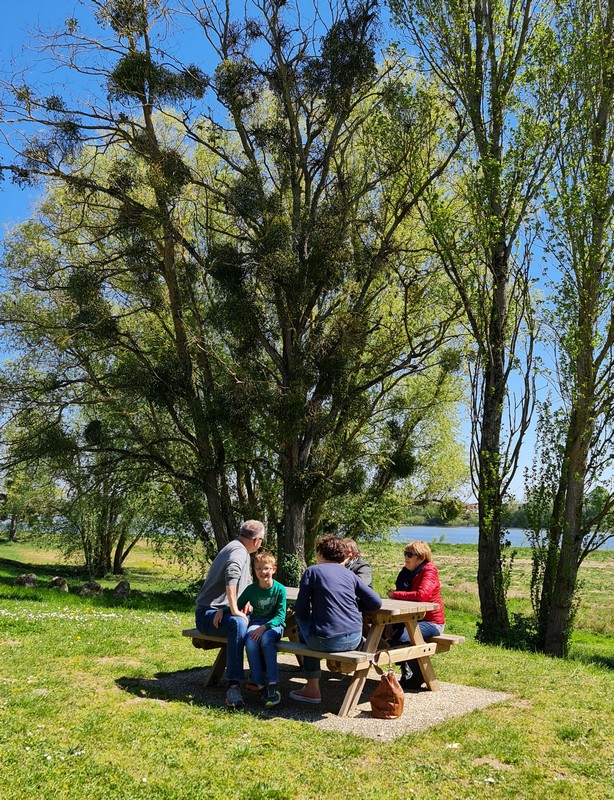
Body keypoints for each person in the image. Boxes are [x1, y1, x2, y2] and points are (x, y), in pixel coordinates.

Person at [289, 534, 382, 704]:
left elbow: (301, 611)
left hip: (326, 641)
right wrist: (352, 606)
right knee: (311, 625)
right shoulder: (349, 575)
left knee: (304, 620)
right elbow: (376, 602)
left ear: (320, 553)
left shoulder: (312, 572)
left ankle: (312, 688)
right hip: (354, 638)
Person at [194, 519, 265, 709]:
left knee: (263, 625)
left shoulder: (238, 548)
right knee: (238, 624)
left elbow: (242, 585)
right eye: (262, 541)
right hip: (207, 615)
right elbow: (232, 573)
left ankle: (261, 679)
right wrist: (233, 609)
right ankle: (233, 687)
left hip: (220, 612)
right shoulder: (238, 551)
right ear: (257, 540)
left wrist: (236, 605)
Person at [386, 540, 445, 691]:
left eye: (409, 554)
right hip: (410, 618)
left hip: (431, 622)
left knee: (403, 638)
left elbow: (422, 596)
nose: (406, 557)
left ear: (420, 557)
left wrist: (395, 594)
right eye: (405, 553)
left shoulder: (429, 570)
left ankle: (418, 675)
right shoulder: (408, 572)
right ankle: (408, 671)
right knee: (384, 633)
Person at [237, 551, 287, 708]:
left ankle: (273, 683)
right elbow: (237, 605)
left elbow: (280, 616)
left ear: (273, 569)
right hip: (257, 621)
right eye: (258, 568)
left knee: (266, 640)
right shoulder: (251, 589)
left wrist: (264, 628)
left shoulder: (280, 589)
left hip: (274, 625)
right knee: (250, 642)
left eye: (266, 568)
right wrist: (221, 611)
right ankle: (258, 682)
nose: (262, 572)